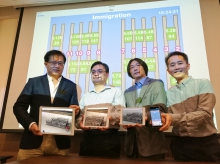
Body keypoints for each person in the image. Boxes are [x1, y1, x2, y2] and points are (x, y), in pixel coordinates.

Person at [13, 50, 80, 161]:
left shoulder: (71, 86)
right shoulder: (34, 82)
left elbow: (74, 112)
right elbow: (19, 107)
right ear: (46, 64)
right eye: (53, 62)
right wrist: (30, 124)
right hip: (32, 141)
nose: (57, 66)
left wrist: (77, 112)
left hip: (59, 145)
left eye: (61, 63)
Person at [160, 51, 220, 162]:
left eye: (180, 63)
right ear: (168, 71)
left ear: (188, 65)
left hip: (206, 144)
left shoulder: (203, 83)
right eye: (172, 65)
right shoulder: (168, 93)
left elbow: (205, 114)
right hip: (180, 145)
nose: (177, 67)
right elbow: (166, 116)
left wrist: (173, 118)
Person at [76, 61, 125, 157]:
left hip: (109, 138)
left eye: (100, 71)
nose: (96, 74)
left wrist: (106, 119)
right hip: (87, 139)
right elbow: (79, 117)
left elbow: (121, 113)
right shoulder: (86, 96)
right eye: (93, 72)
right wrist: (80, 124)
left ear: (107, 74)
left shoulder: (116, 91)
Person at [123, 58, 168, 159]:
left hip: (152, 143)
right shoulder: (127, 92)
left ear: (144, 67)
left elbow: (160, 109)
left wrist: (145, 116)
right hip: (131, 145)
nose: (135, 68)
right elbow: (127, 115)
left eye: (138, 65)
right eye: (131, 67)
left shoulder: (156, 83)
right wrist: (125, 121)